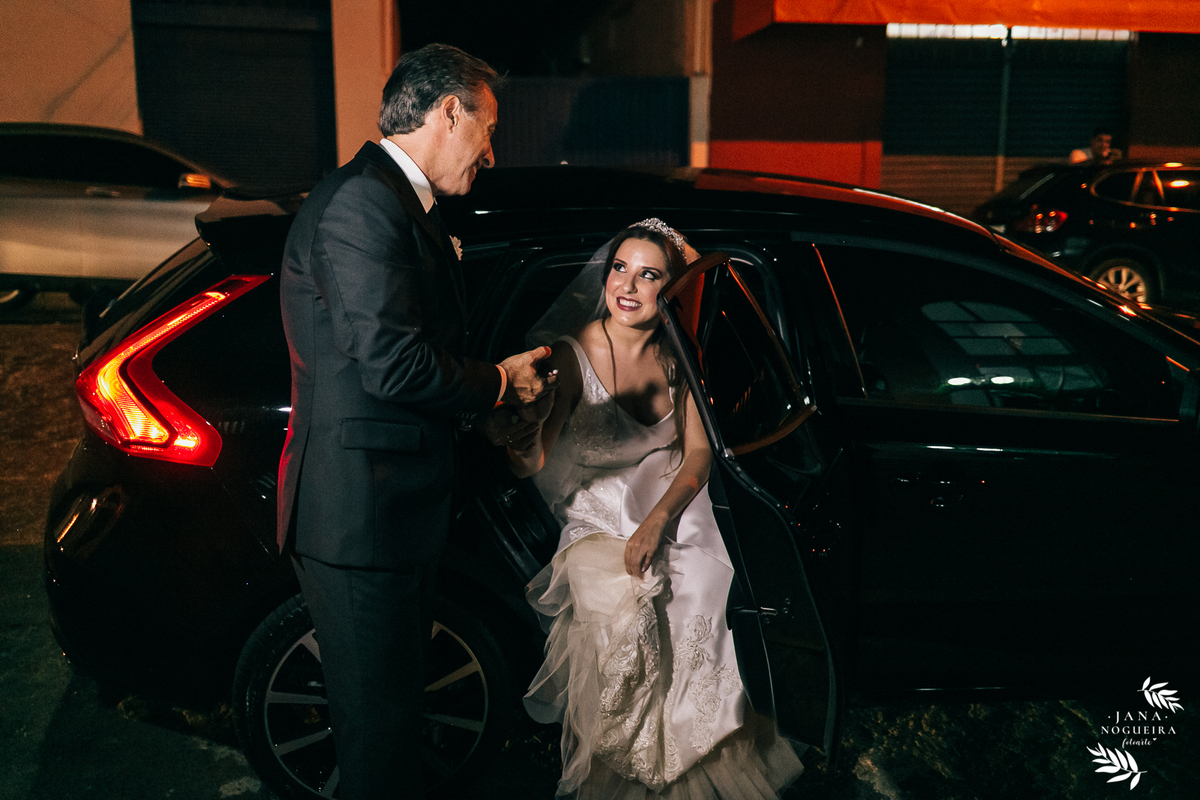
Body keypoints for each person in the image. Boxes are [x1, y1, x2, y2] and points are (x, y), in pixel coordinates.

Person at [276, 44, 554, 799]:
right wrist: (500, 382)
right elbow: (395, 366)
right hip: (361, 515)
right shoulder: (364, 204)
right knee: (380, 743)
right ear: (449, 112)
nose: (490, 155)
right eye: (487, 130)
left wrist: (485, 410)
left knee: (393, 723)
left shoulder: (395, 200)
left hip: (388, 511)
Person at [492, 220, 804, 799]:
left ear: (671, 287)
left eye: (648, 274)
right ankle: (631, 770)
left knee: (701, 584)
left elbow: (699, 454)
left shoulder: (679, 355)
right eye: (620, 268)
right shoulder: (573, 353)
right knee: (626, 606)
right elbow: (530, 463)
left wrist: (658, 522)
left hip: (664, 497)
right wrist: (520, 432)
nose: (627, 286)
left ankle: (693, 754)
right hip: (593, 509)